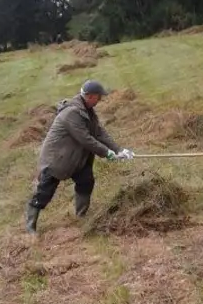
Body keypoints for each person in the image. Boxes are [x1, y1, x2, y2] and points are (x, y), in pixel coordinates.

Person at [25, 79, 135, 235]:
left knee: (86, 181)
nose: (100, 99)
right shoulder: (72, 113)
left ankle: (81, 215)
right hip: (57, 159)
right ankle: (30, 225)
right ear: (89, 96)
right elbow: (85, 138)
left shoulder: (88, 110)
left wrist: (119, 150)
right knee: (45, 192)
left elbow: (99, 132)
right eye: (99, 96)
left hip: (76, 158)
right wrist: (107, 153)